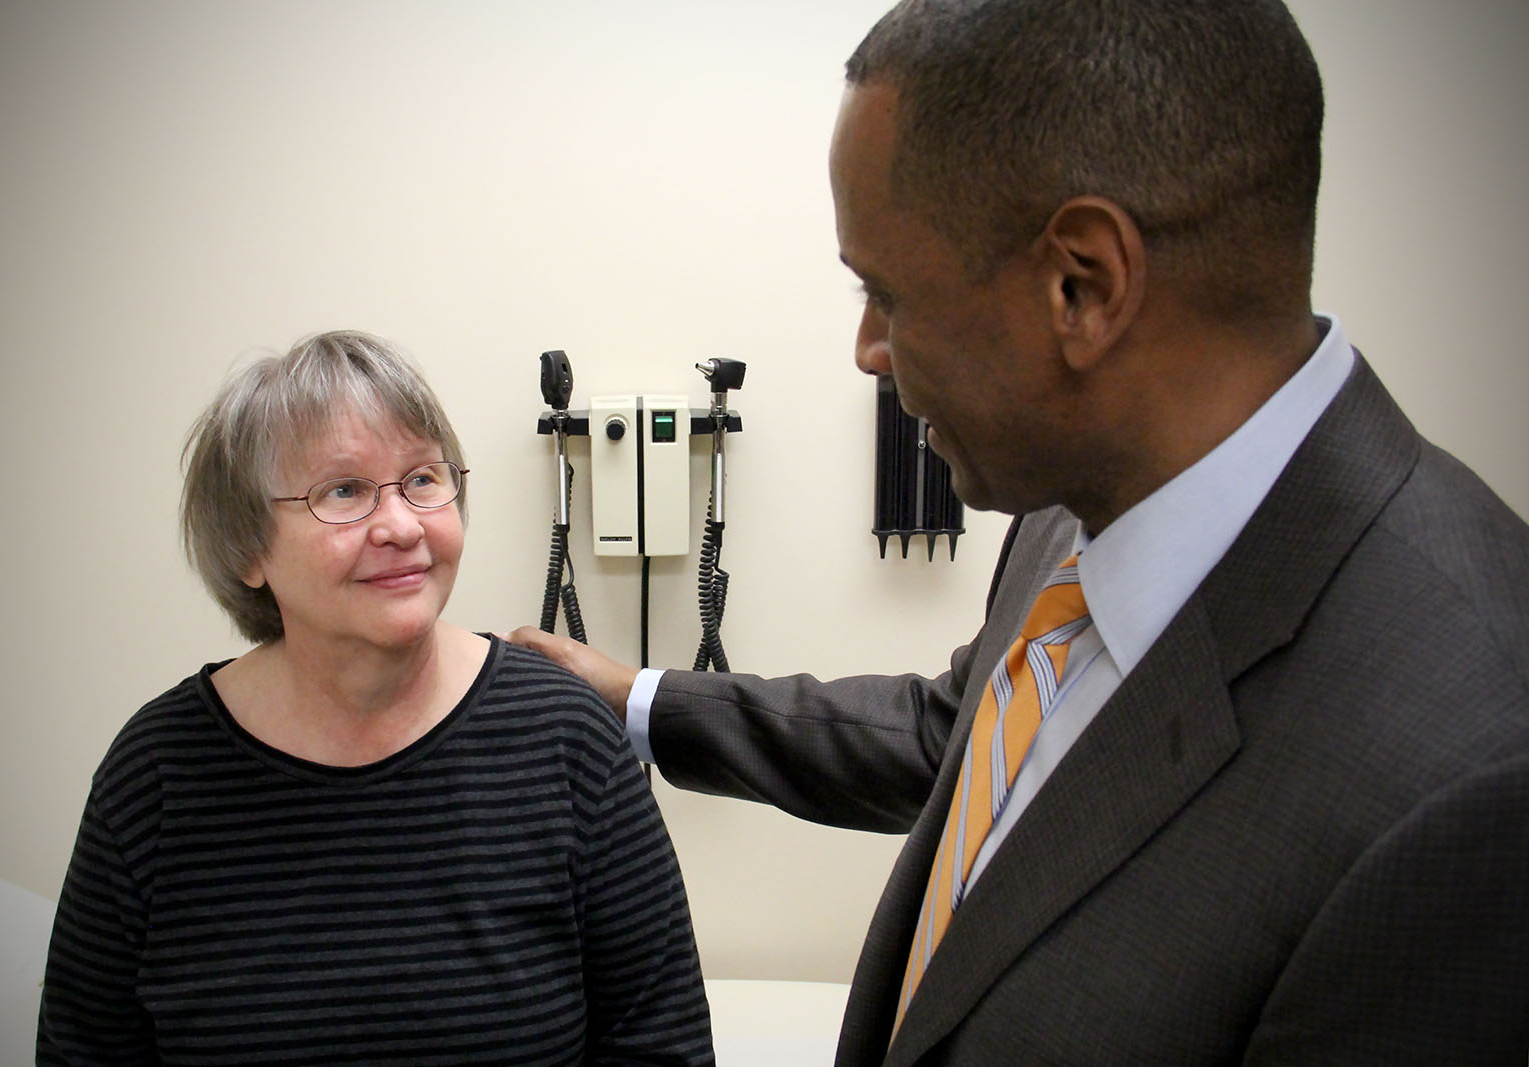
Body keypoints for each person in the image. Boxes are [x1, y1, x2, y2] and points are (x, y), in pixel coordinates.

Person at [509, 1, 1529, 1063]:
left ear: (1082, 285)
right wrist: (634, 696)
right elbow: (959, 737)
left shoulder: (1470, 785)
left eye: (885, 293)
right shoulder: (1080, 492)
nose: (868, 349)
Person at [38, 331, 714, 1065]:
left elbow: (661, 1043)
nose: (400, 525)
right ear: (248, 547)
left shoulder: (565, 736)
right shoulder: (156, 774)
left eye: (422, 478)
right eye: (344, 491)